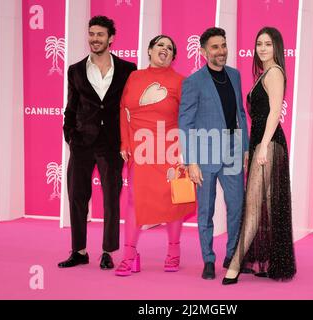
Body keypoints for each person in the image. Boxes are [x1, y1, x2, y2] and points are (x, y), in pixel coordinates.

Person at [58, 16, 136, 269]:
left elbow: (130, 108)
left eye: (100, 34)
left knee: (112, 198)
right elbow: (71, 107)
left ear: (111, 38)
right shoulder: (76, 70)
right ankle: (78, 250)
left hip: (112, 143)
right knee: (77, 196)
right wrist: (70, 134)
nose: (95, 39)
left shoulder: (127, 69)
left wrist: (128, 139)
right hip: (81, 141)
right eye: (91, 34)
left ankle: (107, 251)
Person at [115, 35, 196, 276]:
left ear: (173, 56)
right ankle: (129, 255)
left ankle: (173, 251)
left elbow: (188, 118)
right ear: (149, 50)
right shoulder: (134, 76)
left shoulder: (181, 82)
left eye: (170, 48)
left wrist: (185, 152)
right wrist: (125, 142)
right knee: (134, 200)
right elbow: (124, 110)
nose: (165, 49)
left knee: (173, 198)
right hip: (140, 151)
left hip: (169, 149)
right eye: (160, 45)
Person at [222, 27, 296, 285]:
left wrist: (263, 146)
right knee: (265, 205)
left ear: (276, 46)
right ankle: (270, 262)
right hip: (261, 144)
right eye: (259, 44)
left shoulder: (275, 73)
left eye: (268, 43)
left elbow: (275, 113)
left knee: (253, 206)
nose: (262, 48)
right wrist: (252, 148)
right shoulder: (263, 74)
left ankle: (234, 265)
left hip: (269, 144)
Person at [179, 27, 249, 280]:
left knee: (237, 206)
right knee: (205, 211)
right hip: (205, 155)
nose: (221, 51)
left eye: (223, 45)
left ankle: (232, 256)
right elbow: (185, 123)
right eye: (215, 47)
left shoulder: (235, 75)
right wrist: (191, 161)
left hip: (232, 151)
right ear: (203, 51)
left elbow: (240, 113)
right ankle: (208, 259)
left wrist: (244, 148)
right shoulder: (193, 82)